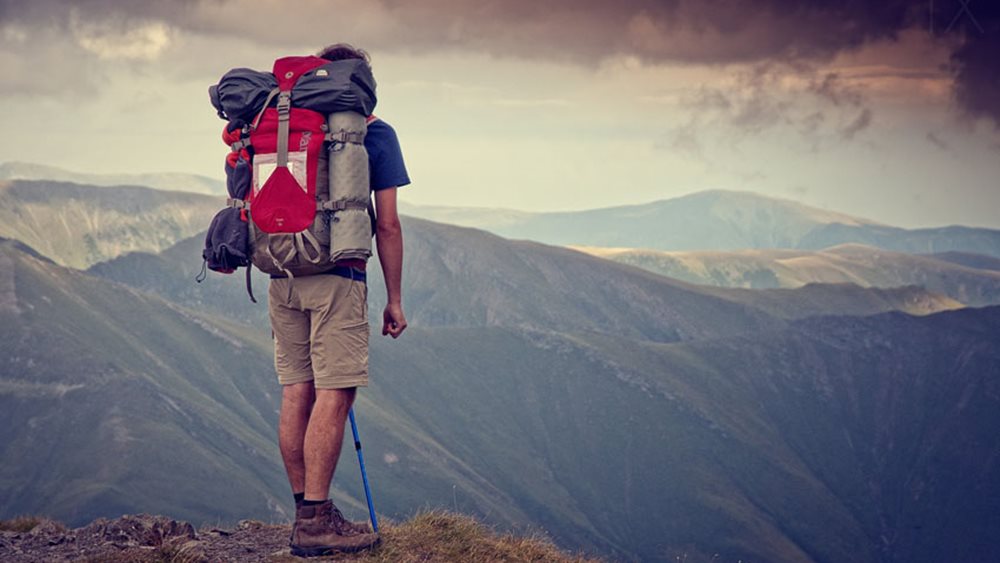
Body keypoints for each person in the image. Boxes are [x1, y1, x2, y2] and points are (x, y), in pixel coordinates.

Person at [268, 43, 409, 557]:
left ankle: (305, 513)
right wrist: (394, 298)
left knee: (296, 392)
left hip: (282, 271)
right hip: (339, 277)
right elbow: (387, 224)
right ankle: (316, 523)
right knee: (335, 392)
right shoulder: (373, 133)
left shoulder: (284, 127)